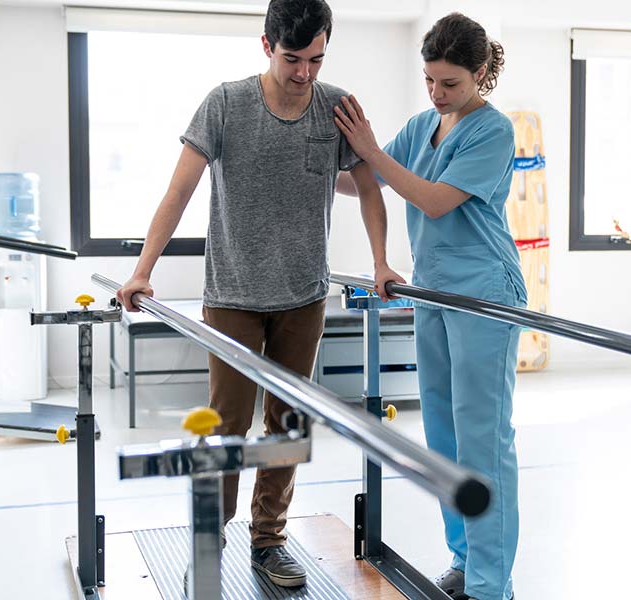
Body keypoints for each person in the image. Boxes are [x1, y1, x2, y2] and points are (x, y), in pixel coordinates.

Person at [113, 0, 403, 588]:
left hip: (304, 296)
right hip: (233, 296)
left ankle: (269, 538)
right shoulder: (226, 104)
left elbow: (369, 189)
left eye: (316, 59)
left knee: (288, 424)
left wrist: (380, 262)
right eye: (293, 59)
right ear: (266, 45)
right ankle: (212, 526)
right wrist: (143, 269)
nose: (305, 73)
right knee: (227, 423)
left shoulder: (337, 107)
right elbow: (179, 191)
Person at [330, 12, 523, 600]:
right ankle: (464, 563)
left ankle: (491, 587)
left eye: (451, 84)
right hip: (432, 292)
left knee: (482, 442)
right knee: (441, 436)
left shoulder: (493, 131)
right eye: (430, 81)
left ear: (480, 73)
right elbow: (361, 178)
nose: (438, 94)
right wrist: (308, 158)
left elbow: (435, 202)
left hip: (484, 294)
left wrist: (370, 154)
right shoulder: (421, 127)